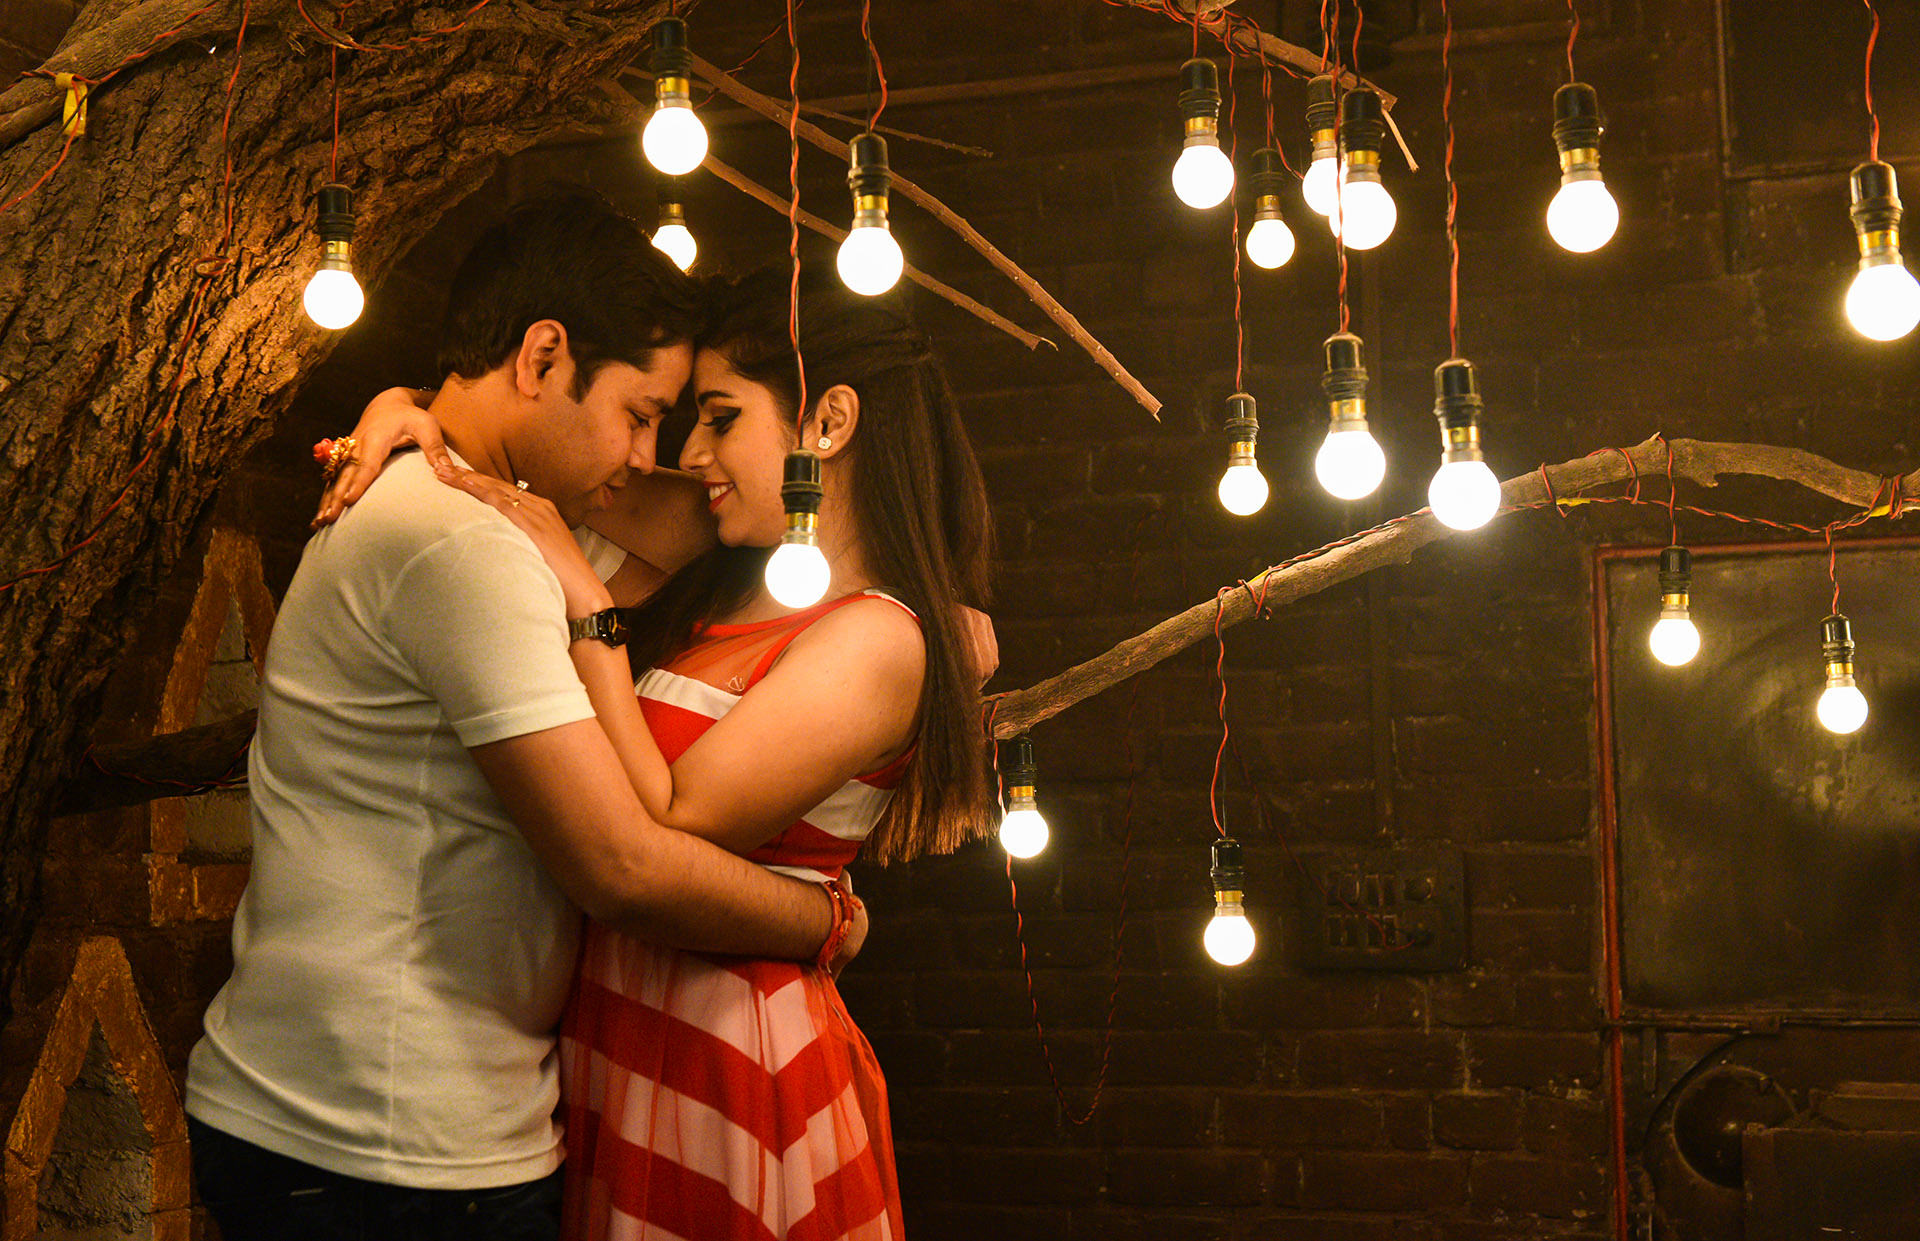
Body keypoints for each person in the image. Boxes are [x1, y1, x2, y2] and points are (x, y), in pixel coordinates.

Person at [184, 194, 865, 1241]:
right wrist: (821, 920)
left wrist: (408, 401)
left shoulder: (493, 514)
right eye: (642, 413)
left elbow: (723, 516)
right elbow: (620, 867)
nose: (652, 453)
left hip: (383, 1121)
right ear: (544, 357)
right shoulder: (461, 541)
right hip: (377, 1145)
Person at [343, 268, 995, 1239]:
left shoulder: (880, 637)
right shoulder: (729, 558)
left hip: (727, 1056)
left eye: (722, 419)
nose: (691, 453)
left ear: (830, 421)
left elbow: (674, 814)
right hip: (615, 1029)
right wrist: (398, 408)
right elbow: (517, 460)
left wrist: (591, 608)